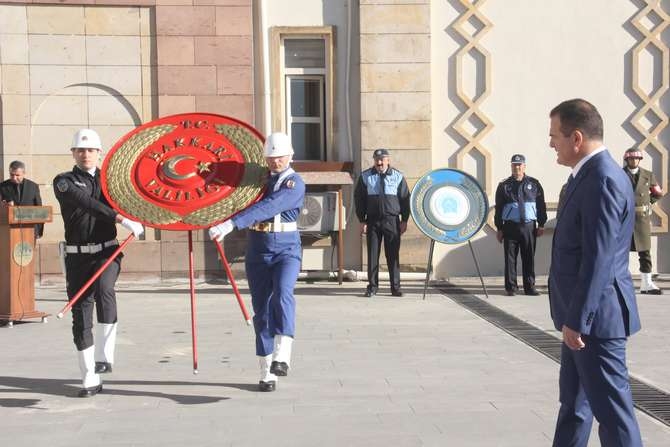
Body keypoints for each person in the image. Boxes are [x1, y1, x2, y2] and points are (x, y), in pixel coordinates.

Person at [548, 99, 642, 446]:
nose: (550, 143)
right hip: (581, 316)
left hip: (596, 321)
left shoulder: (602, 179)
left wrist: (580, 320)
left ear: (576, 138)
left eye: (554, 135)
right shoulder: (585, 176)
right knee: (573, 406)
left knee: (614, 415)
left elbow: (598, 259)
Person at [209, 132, 305, 393]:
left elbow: (269, 207)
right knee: (261, 310)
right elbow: (229, 193)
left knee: (283, 294)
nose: (276, 162)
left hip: (287, 248)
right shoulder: (257, 182)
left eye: (281, 156)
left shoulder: (294, 183)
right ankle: (266, 370)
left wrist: (231, 224)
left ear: (290, 155)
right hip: (258, 248)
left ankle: (282, 355)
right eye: (272, 157)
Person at [53, 129, 144, 397]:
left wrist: (143, 214)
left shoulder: (111, 180)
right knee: (81, 316)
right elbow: (88, 204)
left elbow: (134, 198)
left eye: (91, 150)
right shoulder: (63, 181)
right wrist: (120, 219)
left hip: (107, 252)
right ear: (73, 153)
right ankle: (89, 377)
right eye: (80, 150)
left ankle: (105, 356)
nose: (85, 154)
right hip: (77, 256)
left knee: (105, 290)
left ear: (98, 152)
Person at [353, 149, 410, 297]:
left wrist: (404, 220)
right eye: (377, 160)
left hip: (392, 221)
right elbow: (359, 200)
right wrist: (362, 220)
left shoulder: (398, 176)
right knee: (372, 256)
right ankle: (372, 287)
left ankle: (395, 288)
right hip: (373, 221)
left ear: (388, 160)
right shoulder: (366, 176)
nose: (379, 163)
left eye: (382, 159)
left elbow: (405, 199)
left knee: (393, 255)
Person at [494, 154, 547, 296]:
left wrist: (541, 224)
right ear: (511, 166)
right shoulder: (504, 185)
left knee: (528, 256)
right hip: (510, 226)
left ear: (524, 166)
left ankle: (529, 287)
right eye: (514, 165)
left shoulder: (534, 184)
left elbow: (541, 205)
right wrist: (499, 228)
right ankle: (511, 288)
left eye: (519, 164)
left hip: (529, 226)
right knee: (510, 258)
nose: (517, 167)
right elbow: (498, 208)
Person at [623, 148, 664, 294]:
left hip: (642, 218)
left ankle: (646, 283)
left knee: (645, 252)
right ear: (626, 160)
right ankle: (621, 282)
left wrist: (647, 203)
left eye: (636, 159)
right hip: (625, 218)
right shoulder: (620, 174)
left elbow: (658, 193)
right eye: (631, 159)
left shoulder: (648, 175)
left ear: (640, 160)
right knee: (622, 252)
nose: (634, 161)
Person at [0, 160, 44, 238]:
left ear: (23, 173)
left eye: (17, 175)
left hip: (30, 230)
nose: (14, 177)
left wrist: (39, 231)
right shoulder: (2, 187)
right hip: (8, 231)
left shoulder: (33, 186)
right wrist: (4, 206)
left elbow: (39, 210)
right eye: (11, 175)